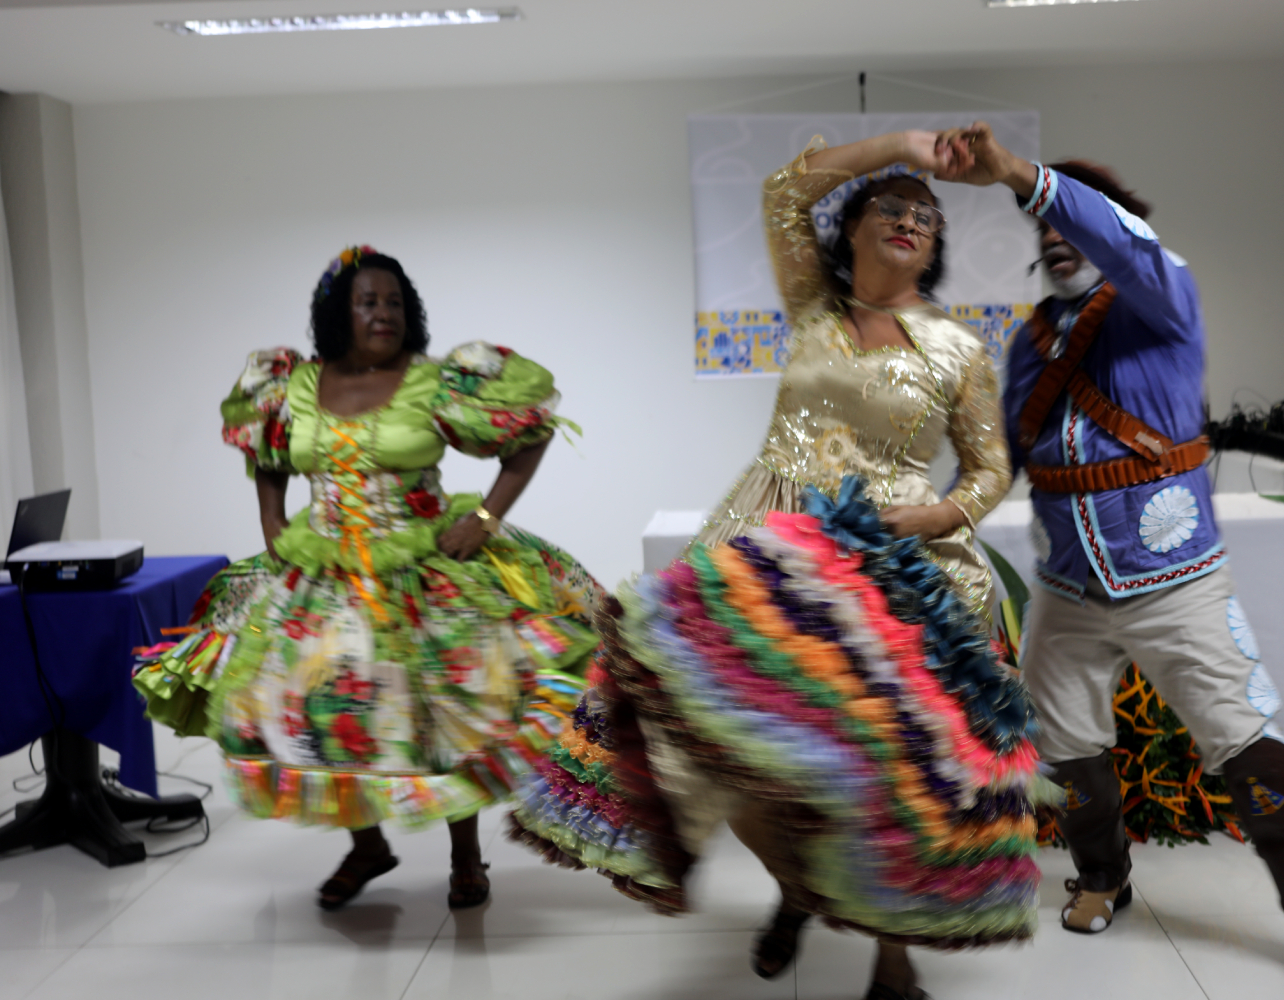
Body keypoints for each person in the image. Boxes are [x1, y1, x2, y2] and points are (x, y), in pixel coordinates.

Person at [508, 132, 1049, 1000]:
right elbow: (781, 193)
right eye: (891, 207)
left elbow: (990, 468)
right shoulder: (814, 307)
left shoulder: (958, 349)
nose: (910, 221)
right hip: (770, 538)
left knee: (882, 770)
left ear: (939, 246)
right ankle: (801, 889)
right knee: (745, 749)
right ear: (856, 228)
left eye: (926, 217)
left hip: (896, 562)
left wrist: (942, 512)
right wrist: (904, 146)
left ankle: (892, 958)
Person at [936, 122, 1284, 989]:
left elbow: (1109, 237)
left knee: (1246, 741)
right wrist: (935, 518)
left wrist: (1022, 175)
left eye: (1072, 225)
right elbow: (1001, 459)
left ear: (1116, 231)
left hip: (1178, 582)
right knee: (1065, 745)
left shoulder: (1162, 293)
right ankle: (1103, 876)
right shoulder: (1029, 344)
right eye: (1045, 234)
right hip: (1066, 587)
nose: (1055, 239)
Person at [133, 246, 603, 910]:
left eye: (394, 302)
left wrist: (489, 517)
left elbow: (532, 434)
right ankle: (367, 846)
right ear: (337, 313)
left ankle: (466, 857)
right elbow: (269, 457)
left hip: (423, 570)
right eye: (368, 302)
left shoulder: (438, 381)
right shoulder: (291, 385)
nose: (384, 313)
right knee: (330, 709)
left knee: (444, 710)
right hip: (323, 572)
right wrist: (272, 519)